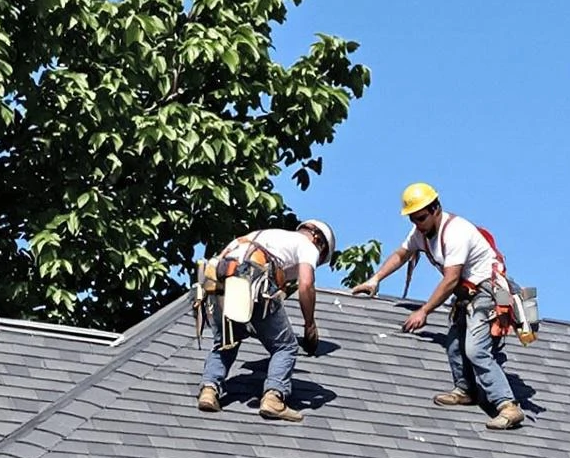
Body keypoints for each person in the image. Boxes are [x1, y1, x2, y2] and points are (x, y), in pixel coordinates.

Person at [351, 183, 524, 430]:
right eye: (412, 219)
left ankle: (507, 405)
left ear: (436, 209)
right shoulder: (421, 233)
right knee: (454, 343)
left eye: (421, 218)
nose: (417, 223)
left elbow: (451, 278)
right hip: (467, 296)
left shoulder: (456, 232)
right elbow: (402, 254)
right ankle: (466, 390)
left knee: (475, 350)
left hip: (489, 294)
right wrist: (375, 279)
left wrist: (424, 311)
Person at [196, 218, 335, 423]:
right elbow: (306, 284)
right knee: (286, 346)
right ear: (319, 242)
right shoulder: (308, 245)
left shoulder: (267, 236)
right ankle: (274, 397)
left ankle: (209, 390)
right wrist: (309, 324)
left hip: (218, 283)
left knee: (227, 340)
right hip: (252, 281)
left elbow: (282, 277)